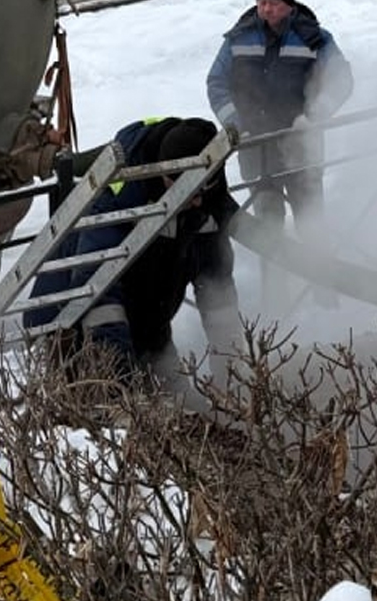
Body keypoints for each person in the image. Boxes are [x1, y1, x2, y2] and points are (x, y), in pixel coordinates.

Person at [22, 117, 241, 401]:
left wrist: (233, 372)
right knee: (107, 427)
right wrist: (123, 383)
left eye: (204, 189)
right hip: (68, 337)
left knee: (188, 414)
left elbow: (217, 291)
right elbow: (97, 296)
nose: (197, 201)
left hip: (147, 332)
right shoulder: (116, 199)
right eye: (189, 191)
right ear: (166, 175)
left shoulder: (204, 198)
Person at [206, 0, 354, 230]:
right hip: (256, 146)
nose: (266, 9)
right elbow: (216, 82)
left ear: (289, 5)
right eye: (261, 3)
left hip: (301, 145)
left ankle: (317, 265)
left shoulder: (313, 37)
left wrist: (314, 118)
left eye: (273, 3)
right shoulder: (239, 37)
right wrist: (235, 124)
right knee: (268, 223)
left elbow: (341, 78)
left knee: (310, 219)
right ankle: (273, 269)